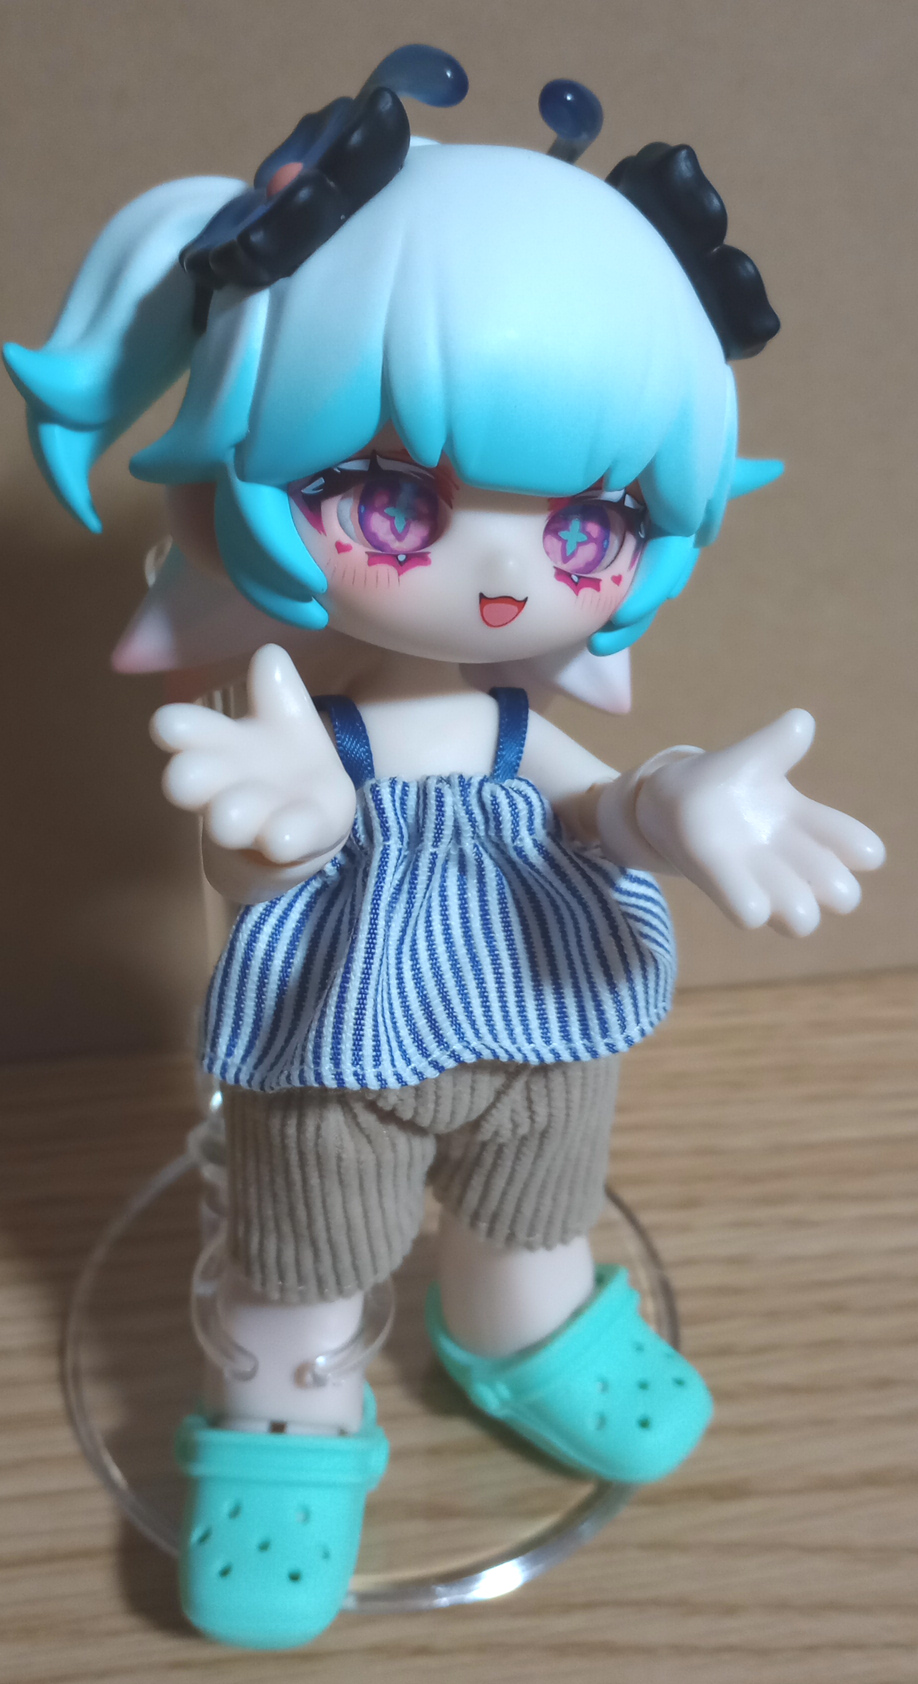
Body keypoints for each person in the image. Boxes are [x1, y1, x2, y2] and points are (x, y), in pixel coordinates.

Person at [4, 46, 883, 1651]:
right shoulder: (307, 732)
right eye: (393, 499)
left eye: (587, 524)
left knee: (534, 1210)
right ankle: (288, 1414)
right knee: (299, 1255)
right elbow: (251, 887)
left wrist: (675, 805)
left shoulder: (506, 720)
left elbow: (586, 803)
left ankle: (515, 1330)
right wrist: (281, 841)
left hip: (545, 1021)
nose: (502, 578)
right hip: (338, 1053)